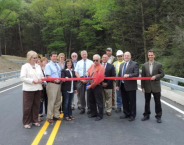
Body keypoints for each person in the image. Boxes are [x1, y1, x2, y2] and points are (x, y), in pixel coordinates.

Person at [20, 50, 44, 129]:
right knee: (27, 106)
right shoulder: (25, 66)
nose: (36, 59)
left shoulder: (38, 66)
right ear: (29, 58)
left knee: (36, 105)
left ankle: (35, 120)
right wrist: (32, 80)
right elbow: (22, 78)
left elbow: (41, 76)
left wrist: (41, 80)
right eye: (34, 58)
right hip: (29, 89)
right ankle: (26, 122)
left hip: (38, 88)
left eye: (36, 58)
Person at [141, 50, 164, 123]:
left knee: (157, 102)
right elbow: (143, 76)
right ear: (148, 56)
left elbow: (162, 74)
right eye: (149, 55)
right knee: (147, 102)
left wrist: (156, 76)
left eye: (151, 55)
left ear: (154, 55)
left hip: (156, 87)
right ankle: (146, 115)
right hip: (147, 86)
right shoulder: (144, 65)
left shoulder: (158, 64)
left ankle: (158, 116)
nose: (150, 56)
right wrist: (142, 86)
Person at [116, 52, 139, 121]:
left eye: (127, 55)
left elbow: (136, 73)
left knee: (132, 101)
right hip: (122, 85)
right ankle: (126, 113)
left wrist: (129, 75)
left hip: (131, 86)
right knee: (124, 101)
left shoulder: (134, 64)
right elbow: (119, 75)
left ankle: (132, 115)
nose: (126, 57)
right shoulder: (122, 64)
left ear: (130, 56)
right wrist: (117, 85)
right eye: (125, 56)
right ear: (123, 56)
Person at [44, 52, 62, 123]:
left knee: (58, 101)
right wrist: (55, 80)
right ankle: (49, 116)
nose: (55, 58)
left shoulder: (57, 65)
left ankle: (56, 115)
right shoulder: (48, 65)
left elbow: (59, 74)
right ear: (50, 57)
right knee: (52, 101)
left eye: (56, 56)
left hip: (58, 85)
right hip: (52, 84)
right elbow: (48, 76)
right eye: (53, 56)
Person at [87, 54, 105, 121]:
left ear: (99, 60)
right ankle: (93, 113)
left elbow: (99, 79)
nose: (95, 61)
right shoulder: (92, 65)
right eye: (94, 60)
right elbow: (88, 71)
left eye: (96, 60)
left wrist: (91, 85)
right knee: (91, 100)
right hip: (90, 84)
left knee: (99, 101)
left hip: (97, 86)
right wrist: (87, 73)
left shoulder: (101, 67)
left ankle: (100, 115)